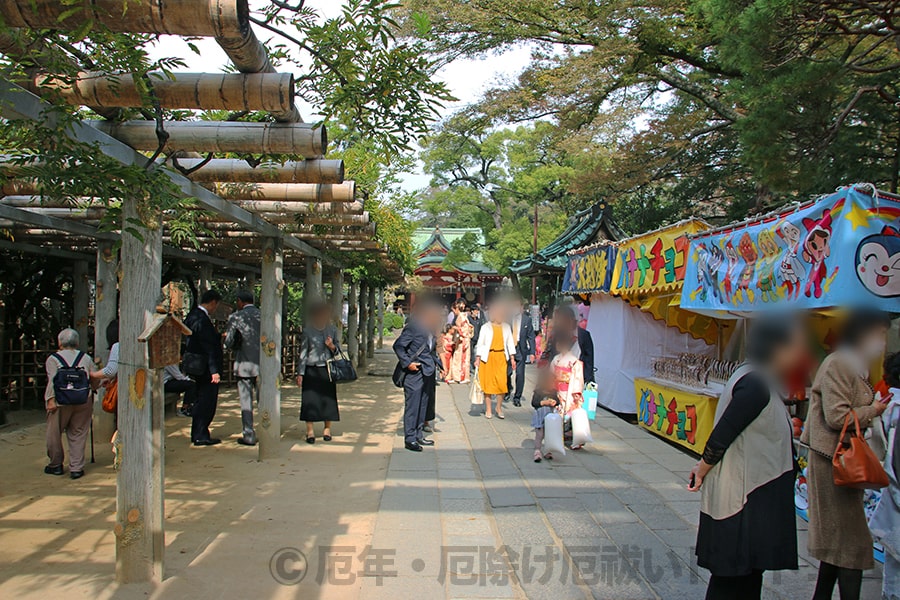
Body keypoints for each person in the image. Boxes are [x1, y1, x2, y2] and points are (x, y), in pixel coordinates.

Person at [687, 318, 805, 600]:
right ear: (778, 347)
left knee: (747, 577)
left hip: (753, 496)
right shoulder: (755, 383)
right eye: (797, 346)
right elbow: (721, 435)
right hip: (743, 501)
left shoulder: (758, 378)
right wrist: (701, 469)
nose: (802, 353)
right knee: (732, 581)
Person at [802, 310, 891, 600]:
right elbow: (837, 416)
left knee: (837, 542)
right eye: (879, 334)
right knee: (850, 543)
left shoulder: (855, 365)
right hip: (833, 462)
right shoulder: (840, 363)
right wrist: (874, 411)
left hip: (839, 461)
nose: (882, 341)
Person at [44, 328, 95, 479]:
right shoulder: (85, 358)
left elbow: (52, 382)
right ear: (77, 343)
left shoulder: (53, 359)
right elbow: (94, 378)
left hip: (60, 401)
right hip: (83, 400)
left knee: (54, 433)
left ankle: (56, 465)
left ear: (59, 343)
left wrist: (50, 400)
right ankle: (76, 468)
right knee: (78, 433)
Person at [393, 296, 442, 452]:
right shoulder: (413, 327)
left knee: (423, 405)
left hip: (427, 372)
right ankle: (410, 438)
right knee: (413, 406)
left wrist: (440, 365)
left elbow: (429, 351)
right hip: (414, 373)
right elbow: (399, 346)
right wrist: (407, 363)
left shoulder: (429, 329)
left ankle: (419, 434)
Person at [870, 352, 900, 600]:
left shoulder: (888, 405)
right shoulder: (896, 409)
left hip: (891, 501)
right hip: (896, 498)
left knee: (893, 574)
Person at [295, 301, 342, 444]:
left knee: (328, 399)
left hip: (327, 369)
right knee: (309, 400)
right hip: (311, 368)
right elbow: (303, 353)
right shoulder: (308, 331)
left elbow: (338, 351)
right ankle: (310, 431)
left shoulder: (332, 330)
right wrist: (300, 373)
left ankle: (327, 429)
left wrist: (331, 346)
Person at [184, 289, 224, 447]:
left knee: (200, 399)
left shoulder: (192, 315)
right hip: (206, 367)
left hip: (195, 365)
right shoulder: (202, 319)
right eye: (216, 305)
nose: (215, 309)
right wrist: (214, 370)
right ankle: (201, 433)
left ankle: (198, 432)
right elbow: (208, 347)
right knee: (206, 401)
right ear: (213, 302)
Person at [224, 290, 261, 446]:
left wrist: (228, 344)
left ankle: (249, 434)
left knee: (246, 401)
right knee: (265, 400)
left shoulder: (236, 317)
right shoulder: (264, 315)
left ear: (240, 301)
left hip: (244, 365)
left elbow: (229, 341)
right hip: (263, 365)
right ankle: (270, 430)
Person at [475, 300, 516, 419]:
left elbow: (510, 344)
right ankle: (488, 409)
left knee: (501, 384)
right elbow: (480, 343)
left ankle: (498, 407)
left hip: (501, 357)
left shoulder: (506, 327)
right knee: (487, 384)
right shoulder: (485, 327)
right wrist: (478, 358)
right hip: (487, 358)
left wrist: (512, 358)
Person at [544, 306, 595, 384]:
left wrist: (587, 380)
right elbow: (552, 355)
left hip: (578, 378)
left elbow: (589, 360)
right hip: (560, 379)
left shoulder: (584, 335)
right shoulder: (557, 334)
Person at [510, 298, 536, 407]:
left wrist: (532, 353)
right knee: (507, 372)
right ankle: (507, 389)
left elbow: (531, 337)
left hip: (521, 349)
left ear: (521, 307)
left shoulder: (527, 320)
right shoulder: (508, 318)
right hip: (510, 348)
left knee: (520, 374)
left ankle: (517, 397)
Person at [531, 368, 560, 463]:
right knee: (539, 434)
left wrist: (555, 402)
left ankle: (548, 450)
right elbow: (534, 403)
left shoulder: (553, 392)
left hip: (550, 417)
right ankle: (537, 450)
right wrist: (544, 402)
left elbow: (557, 401)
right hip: (540, 415)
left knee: (549, 434)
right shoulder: (538, 392)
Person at [451, 304, 473, 384]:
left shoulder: (461, 317)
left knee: (460, 358)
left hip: (462, 339)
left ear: (457, 309)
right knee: (462, 358)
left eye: (454, 310)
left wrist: (455, 328)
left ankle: (460, 377)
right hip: (463, 339)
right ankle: (460, 376)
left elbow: (464, 329)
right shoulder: (464, 316)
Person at [469, 303, 485, 369]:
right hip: (470, 339)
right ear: (472, 311)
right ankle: (471, 366)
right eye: (476, 310)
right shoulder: (468, 319)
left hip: (477, 338)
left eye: (477, 311)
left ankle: (475, 365)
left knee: (476, 352)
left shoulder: (479, 320)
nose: (477, 312)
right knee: (471, 353)